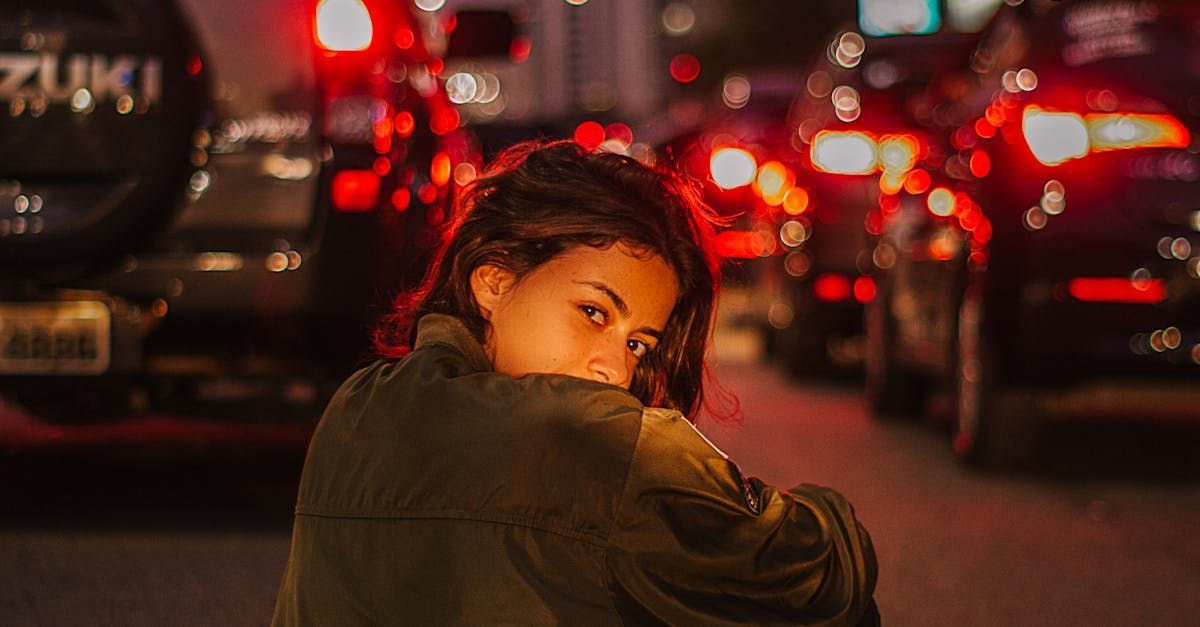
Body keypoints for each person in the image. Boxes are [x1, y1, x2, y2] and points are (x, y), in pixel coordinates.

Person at [272, 140, 879, 625]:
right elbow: (821, 575)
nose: (615, 371)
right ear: (494, 281)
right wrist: (829, 514)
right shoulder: (591, 439)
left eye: (639, 344)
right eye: (593, 313)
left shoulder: (354, 405)